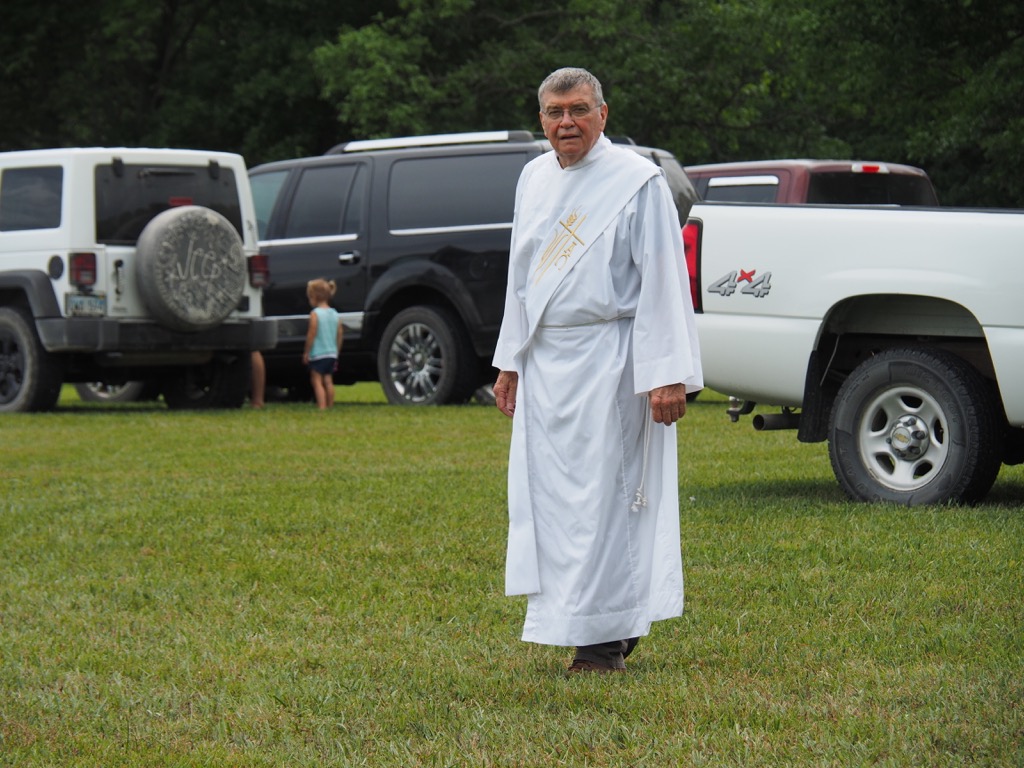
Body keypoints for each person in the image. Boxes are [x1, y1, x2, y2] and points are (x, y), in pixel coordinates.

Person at [492, 67, 703, 674]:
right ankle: (588, 619)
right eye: (555, 112)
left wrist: (666, 372)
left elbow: (663, 276)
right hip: (547, 364)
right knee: (555, 503)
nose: (567, 123)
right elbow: (521, 278)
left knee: (607, 499)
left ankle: (602, 640)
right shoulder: (533, 178)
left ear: (603, 115)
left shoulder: (636, 181)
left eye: (579, 110)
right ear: (541, 120)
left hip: (611, 362)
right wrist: (509, 361)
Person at [302, 278, 343, 409]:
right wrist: (336, 350)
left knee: (316, 380)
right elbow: (340, 333)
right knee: (328, 380)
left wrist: (307, 351)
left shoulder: (315, 314)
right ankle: (330, 405)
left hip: (318, 353)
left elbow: (312, 333)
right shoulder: (335, 314)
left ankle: (321, 406)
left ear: (314, 297)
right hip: (331, 353)